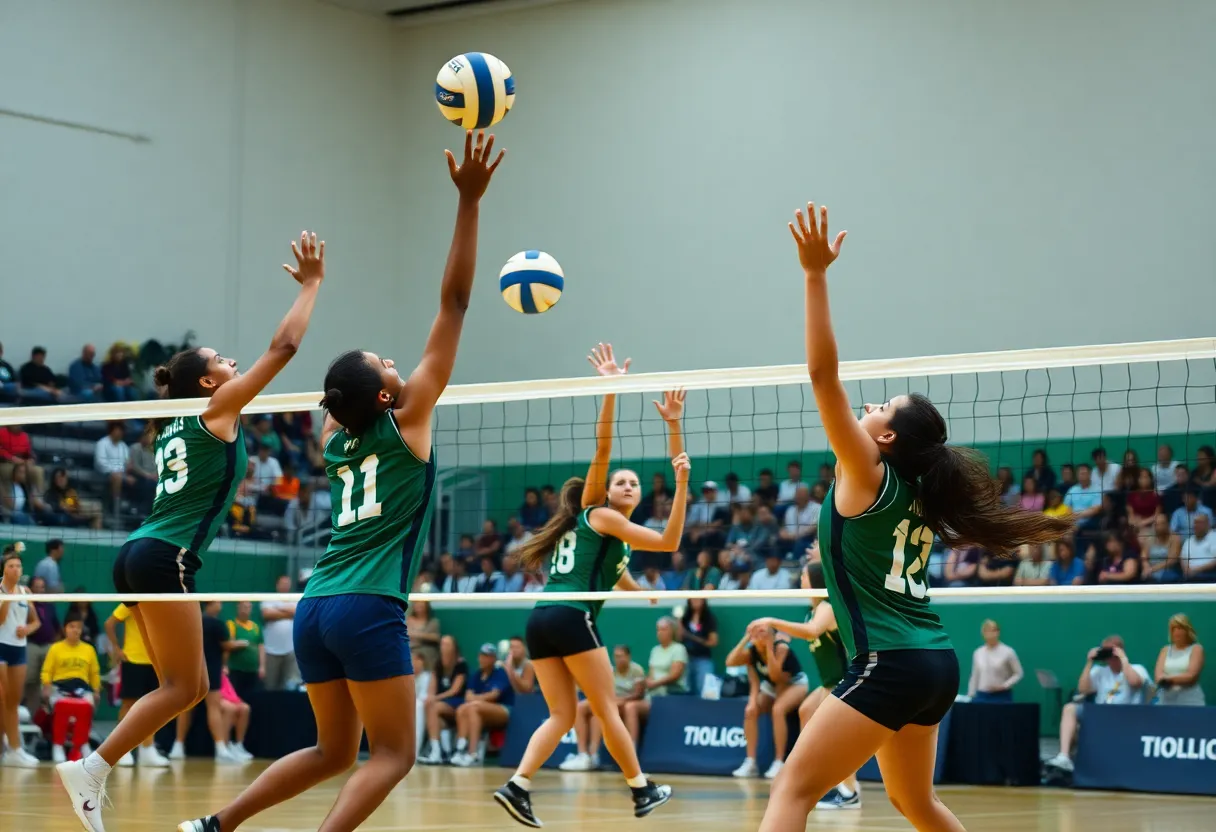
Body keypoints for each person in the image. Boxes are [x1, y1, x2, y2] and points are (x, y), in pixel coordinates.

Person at [177, 129, 505, 832]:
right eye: (389, 364)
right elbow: (454, 303)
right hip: (366, 605)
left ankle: (216, 825)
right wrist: (469, 202)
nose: (399, 364)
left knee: (333, 751)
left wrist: (314, 292)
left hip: (315, 607)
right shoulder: (407, 421)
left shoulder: (333, 439)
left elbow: (340, 396)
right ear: (386, 396)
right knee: (395, 754)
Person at [759, 203, 1071, 832]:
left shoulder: (865, 472)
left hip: (892, 664)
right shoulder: (920, 494)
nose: (870, 405)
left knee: (792, 789)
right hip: (935, 663)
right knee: (914, 802)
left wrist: (815, 275)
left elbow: (822, 375)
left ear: (886, 439)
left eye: (882, 407)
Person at [60, 230, 327, 832]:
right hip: (163, 556)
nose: (233, 364)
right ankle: (91, 769)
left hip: (138, 552)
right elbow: (285, 345)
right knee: (185, 686)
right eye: (224, 362)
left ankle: (93, 770)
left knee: (186, 685)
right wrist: (311, 285)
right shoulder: (216, 410)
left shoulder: (173, 423)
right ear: (209, 384)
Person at [493, 342, 689, 828]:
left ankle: (517, 786)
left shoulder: (607, 538)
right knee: (606, 708)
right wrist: (611, 389)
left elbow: (617, 576)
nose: (627, 486)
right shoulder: (599, 513)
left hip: (541, 618)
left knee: (561, 715)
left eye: (634, 483)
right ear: (604, 490)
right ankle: (641, 789)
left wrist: (643, 593)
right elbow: (668, 540)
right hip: (570, 614)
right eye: (620, 481)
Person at [752, 559, 859, 809]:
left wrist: (773, 622)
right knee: (806, 711)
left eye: (804, 575)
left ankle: (850, 792)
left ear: (816, 580)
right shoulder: (812, 610)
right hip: (828, 683)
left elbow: (812, 631)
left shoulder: (827, 606)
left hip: (843, 681)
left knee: (836, 738)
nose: (801, 579)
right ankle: (817, 776)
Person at [726, 620, 808, 780]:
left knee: (778, 709)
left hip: (794, 684)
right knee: (750, 711)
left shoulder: (781, 648)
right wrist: (746, 638)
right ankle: (750, 762)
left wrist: (769, 647)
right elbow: (731, 662)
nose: (758, 635)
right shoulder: (752, 652)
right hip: (771, 687)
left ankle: (779, 762)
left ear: (772, 635)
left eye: (763, 632)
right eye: (756, 632)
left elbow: (775, 676)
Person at [103, 604, 170, 767]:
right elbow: (109, 623)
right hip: (132, 660)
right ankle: (122, 750)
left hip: (155, 661)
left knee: (152, 707)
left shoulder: (163, 602)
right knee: (129, 705)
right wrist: (116, 648)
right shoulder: (133, 600)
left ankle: (147, 750)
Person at [561, 644, 646, 771]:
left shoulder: (636, 670)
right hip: (611, 702)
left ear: (628, 657)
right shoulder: (610, 671)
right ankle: (586, 755)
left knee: (616, 709)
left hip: (628, 702)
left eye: (621, 656)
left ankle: (631, 752)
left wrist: (620, 700)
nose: (619, 659)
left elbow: (639, 694)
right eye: (616, 656)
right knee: (581, 708)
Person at [41, 611, 101, 763]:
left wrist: (96, 690)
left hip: (82, 688)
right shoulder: (55, 648)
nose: (75, 630)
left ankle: (83, 743)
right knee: (61, 707)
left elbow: (94, 673)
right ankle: (58, 745)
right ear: (65, 629)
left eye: (79, 627)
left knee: (88, 705)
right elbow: (47, 671)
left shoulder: (89, 649)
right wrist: (47, 686)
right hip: (60, 687)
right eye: (72, 626)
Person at [0, 545, 40, 767]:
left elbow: (36, 622)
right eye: (11, 566)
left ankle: (13, 750)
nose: (16, 569)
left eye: (18, 565)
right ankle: (9, 747)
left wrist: (27, 629)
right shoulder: (1, 590)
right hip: (1, 645)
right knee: (2, 699)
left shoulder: (25, 592)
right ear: (4, 570)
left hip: (18, 647)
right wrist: (7, 597)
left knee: (13, 702)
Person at [450, 643, 516, 766]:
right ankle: (461, 750)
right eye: (481, 656)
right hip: (480, 709)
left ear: (494, 659)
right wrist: (476, 700)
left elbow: (494, 695)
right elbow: (467, 696)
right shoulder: (476, 675)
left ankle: (472, 754)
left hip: (505, 710)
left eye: (487, 656)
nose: (483, 659)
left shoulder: (500, 673)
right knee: (462, 709)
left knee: (473, 707)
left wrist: (475, 699)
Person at [420, 634, 470, 763]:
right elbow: (432, 687)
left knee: (433, 706)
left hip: (457, 703)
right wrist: (430, 697)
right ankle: (437, 751)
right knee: (430, 708)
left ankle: (440, 752)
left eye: (447, 644)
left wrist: (435, 698)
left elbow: (455, 690)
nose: (443, 647)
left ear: (454, 647)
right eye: (442, 644)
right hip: (440, 705)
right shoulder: (438, 664)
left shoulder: (461, 664)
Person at [966, 620, 1023, 703]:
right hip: (982, 696)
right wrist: (970, 695)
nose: (990, 634)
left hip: (1002, 696)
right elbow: (975, 676)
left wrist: (1004, 686)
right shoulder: (978, 652)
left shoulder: (1008, 652)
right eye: (986, 631)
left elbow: (1018, 673)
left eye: (993, 631)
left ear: (998, 632)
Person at [1154, 613, 1205, 706]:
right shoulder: (1165, 650)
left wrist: (1168, 679)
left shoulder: (1196, 649)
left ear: (1187, 630)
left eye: (1180, 628)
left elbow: (1191, 676)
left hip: (1190, 702)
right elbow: (1158, 677)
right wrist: (1167, 680)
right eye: (1174, 629)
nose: (1177, 632)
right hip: (1166, 701)